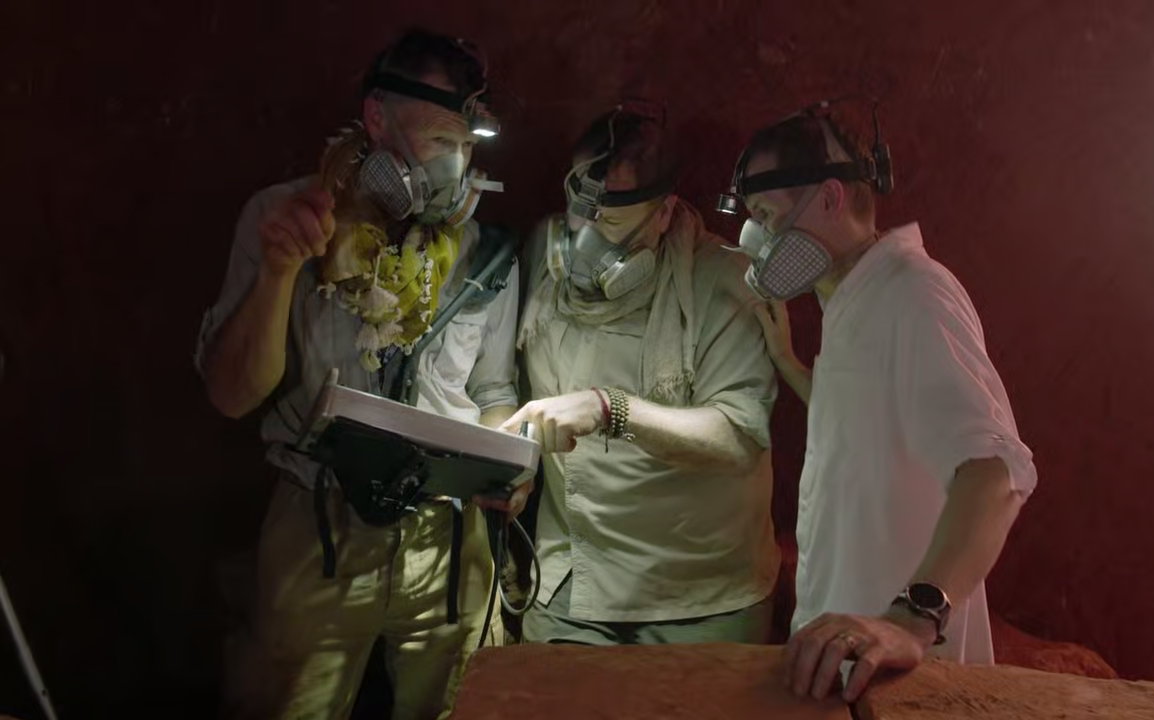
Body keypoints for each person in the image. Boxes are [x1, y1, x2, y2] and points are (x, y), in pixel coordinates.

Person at [194, 29, 526, 720]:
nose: (456, 165)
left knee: (463, 706)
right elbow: (231, 395)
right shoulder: (287, 221)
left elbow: (493, 391)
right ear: (377, 117)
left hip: (447, 540)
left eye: (467, 145)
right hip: (319, 527)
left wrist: (508, 462)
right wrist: (280, 272)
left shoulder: (485, 252)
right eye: (439, 140)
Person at [721, 108, 1037, 703]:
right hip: (847, 667)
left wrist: (912, 620)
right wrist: (789, 362)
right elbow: (865, 424)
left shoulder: (914, 294)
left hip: (903, 681)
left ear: (829, 198)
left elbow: (996, 471)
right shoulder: (852, 300)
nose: (755, 239)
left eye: (765, 216)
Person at [502, 107, 781, 645]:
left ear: (663, 212)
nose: (583, 237)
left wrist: (610, 409)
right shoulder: (543, 253)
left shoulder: (725, 281)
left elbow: (739, 436)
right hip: (573, 582)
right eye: (579, 212)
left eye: (609, 222)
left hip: (702, 598)